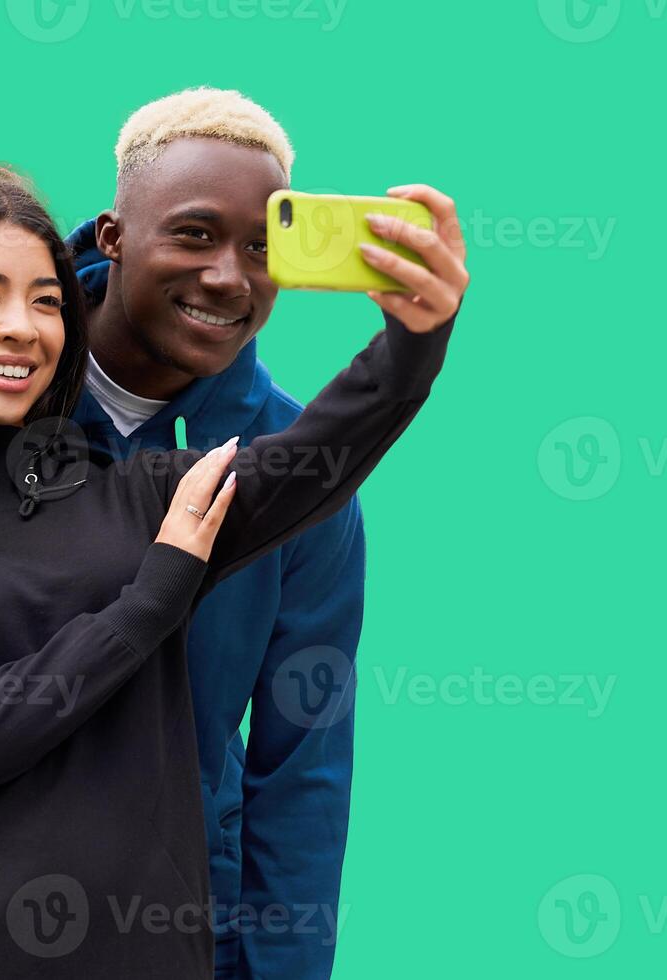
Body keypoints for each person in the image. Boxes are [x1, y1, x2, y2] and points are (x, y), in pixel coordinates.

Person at [0, 162, 467, 979]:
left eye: (46, 302)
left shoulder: (139, 490)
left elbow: (312, 464)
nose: (21, 328)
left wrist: (413, 345)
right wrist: (151, 599)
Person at [66, 86, 429, 978]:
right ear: (113, 236)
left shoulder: (305, 471)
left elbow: (303, 762)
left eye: (264, 249)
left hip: (187, 928)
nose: (231, 276)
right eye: (194, 234)